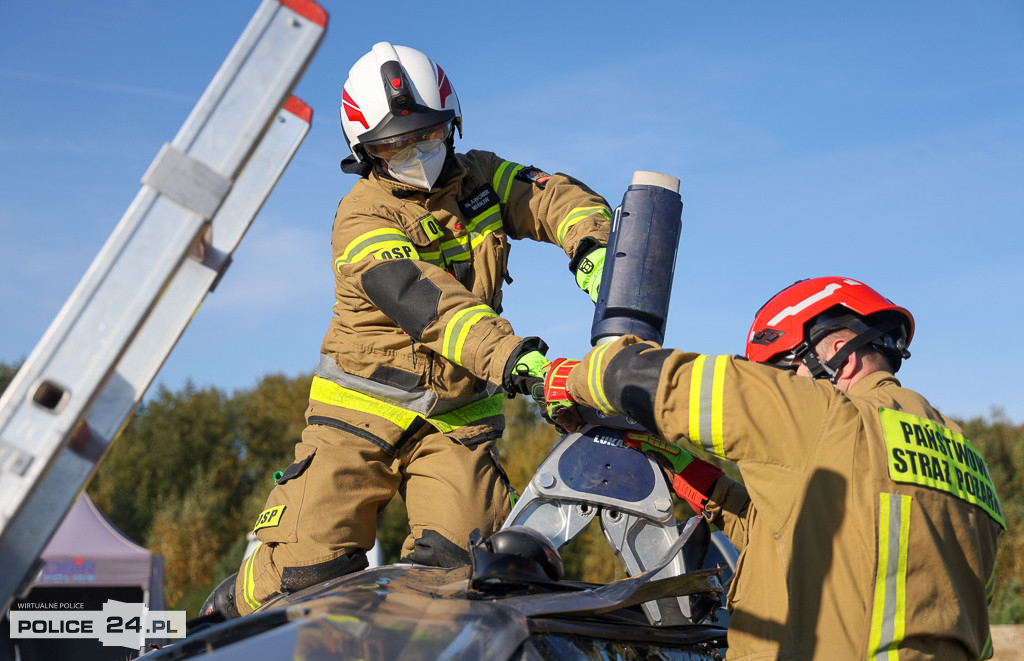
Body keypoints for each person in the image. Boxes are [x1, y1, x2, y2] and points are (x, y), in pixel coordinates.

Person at [202, 42, 612, 618]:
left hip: (456, 416)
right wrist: (517, 359)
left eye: (427, 135)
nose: (415, 151)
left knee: (462, 568)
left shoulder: (481, 178)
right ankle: (217, 618)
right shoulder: (361, 216)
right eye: (394, 144)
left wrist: (591, 244)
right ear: (364, 151)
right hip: (360, 408)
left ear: (451, 125)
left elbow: (554, 197)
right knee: (310, 564)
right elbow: (426, 303)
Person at [554, 276, 1004, 659]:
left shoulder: (830, 418)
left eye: (781, 373)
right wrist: (680, 467)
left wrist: (573, 376)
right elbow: (804, 538)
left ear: (838, 353)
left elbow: (665, 381)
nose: (781, 388)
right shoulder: (968, 464)